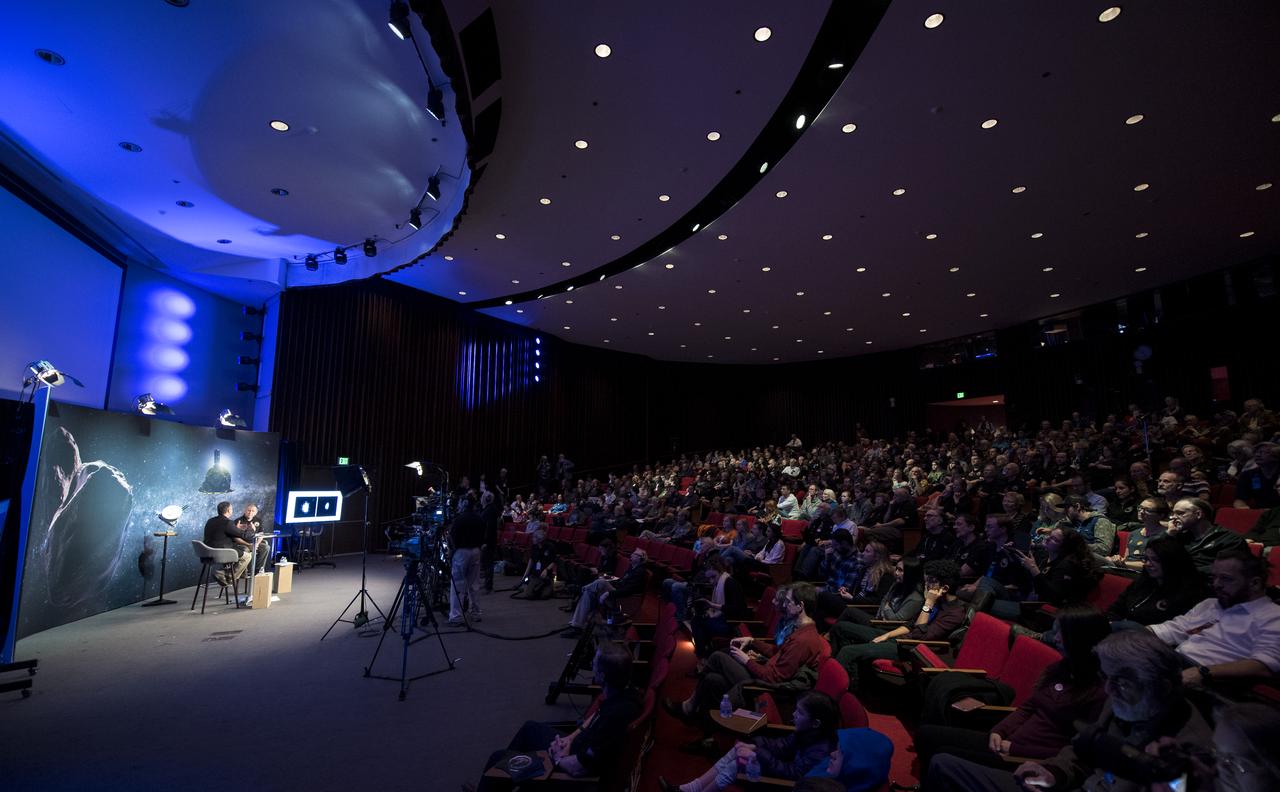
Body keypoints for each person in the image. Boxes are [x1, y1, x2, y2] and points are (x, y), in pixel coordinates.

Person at [926, 629, 1213, 792]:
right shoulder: (1120, 701)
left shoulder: (1192, 750)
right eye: (1106, 678)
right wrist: (1053, 771)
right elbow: (1080, 752)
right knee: (944, 765)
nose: (1110, 691)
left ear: (1162, 686)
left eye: (1121, 682)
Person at [914, 607, 1110, 773]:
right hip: (1005, 742)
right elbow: (1028, 708)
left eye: (1063, 634)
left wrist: (1015, 748)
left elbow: (1074, 751)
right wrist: (999, 731)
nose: (1056, 638)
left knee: (942, 756)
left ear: (1082, 640)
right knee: (927, 735)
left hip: (1025, 759)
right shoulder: (1060, 669)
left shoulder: (1100, 692)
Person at [465, 643, 642, 792]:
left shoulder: (613, 719)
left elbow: (580, 768)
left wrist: (558, 757)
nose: (591, 664)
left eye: (594, 663)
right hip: (575, 749)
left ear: (602, 676)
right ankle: (509, 780)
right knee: (529, 729)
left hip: (575, 774)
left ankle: (506, 779)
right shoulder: (626, 693)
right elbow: (596, 715)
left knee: (499, 758)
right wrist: (570, 739)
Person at [663, 583, 830, 721]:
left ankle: (690, 706)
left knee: (718, 657)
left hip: (766, 686)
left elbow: (774, 678)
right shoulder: (800, 629)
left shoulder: (803, 640)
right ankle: (705, 732)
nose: (783, 605)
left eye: (787, 602)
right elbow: (777, 652)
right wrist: (752, 642)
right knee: (713, 680)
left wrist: (746, 660)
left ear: (800, 606)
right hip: (764, 672)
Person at [1148, 549, 1280, 686]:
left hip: (1213, 681)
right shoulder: (1210, 604)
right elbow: (1175, 628)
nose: (1217, 584)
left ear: (1255, 583)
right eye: (1214, 577)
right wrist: (1141, 633)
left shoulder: (1273, 616)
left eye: (1226, 578)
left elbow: (1263, 666)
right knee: (1130, 632)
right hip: (1175, 663)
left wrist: (1203, 672)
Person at [828, 560, 967, 690]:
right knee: (841, 628)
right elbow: (910, 624)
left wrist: (928, 603)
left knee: (848, 651)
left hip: (910, 648)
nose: (927, 586)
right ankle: (851, 677)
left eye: (931, 582)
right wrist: (886, 635)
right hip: (899, 637)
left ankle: (838, 689)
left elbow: (919, 635)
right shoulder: (938, 600)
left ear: (945, 588)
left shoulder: (954, 613)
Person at [658, 691, 839, 791]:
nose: (793, 715)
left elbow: (792, 775)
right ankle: (687, 789)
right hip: (782, 767)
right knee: (739, 750)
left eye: (799, 713)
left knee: (738, 762)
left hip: (786, 784)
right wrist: (754, 745)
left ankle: (689, 791)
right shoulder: (808, 733)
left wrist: (756, 754)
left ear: (815, 723)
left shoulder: (821, 751)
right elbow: (782, 746)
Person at [1106, 537, 1205, 628]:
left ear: (1171, 561)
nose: (1148, 564)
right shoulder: (1141, 583)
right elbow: (1116, 609)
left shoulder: (1188, 593)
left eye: (1155, 560)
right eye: (1146, 559)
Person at [563, 549, 648, 637]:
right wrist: (612, 582)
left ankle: (580, 590)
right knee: (588, 593)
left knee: (601, 582)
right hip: (617, 592)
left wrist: (608, 593)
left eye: (634, 554)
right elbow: (622, 582)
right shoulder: (632, 568)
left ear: (640, 558)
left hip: (624, 599)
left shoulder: (639, 572)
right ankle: (576, 625)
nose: (631, 555)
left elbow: (628, 591)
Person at [1012, 526, 1100, 606]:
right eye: (1050, 535)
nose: (1047, 538)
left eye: (1054, 539)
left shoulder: (1067, 566)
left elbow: (1053, 598)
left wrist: (1033, 569)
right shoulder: (1046, 556)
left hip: (1047, 612)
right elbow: (1030, 582)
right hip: (1028, 601)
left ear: (1064, 547)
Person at [687, 553, 748, 657]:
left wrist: (712, 605)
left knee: (697, 622)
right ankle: (705, 654)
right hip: (723, 619)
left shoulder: (731, 583)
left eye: (713, 577)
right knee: (698, 617)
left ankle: (702, 656)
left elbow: (735, 609)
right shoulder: (720, 582)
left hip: (731, 624)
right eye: (709, 578)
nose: (711, 581)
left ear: (719, 570)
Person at [1167, 497, 1248, 576]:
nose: (1173, 517)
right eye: (1173, 513)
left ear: (1198, 514)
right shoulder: (1178, 536)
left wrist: (1184, 571)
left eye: (1180, 513)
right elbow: (1158, 558)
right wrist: (1169, 534)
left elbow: (1228, 569)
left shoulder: (1229, 539)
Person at [448, 497, 485, 626]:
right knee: (474, 585)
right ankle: (476, 613)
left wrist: (451, 553)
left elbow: (452, 537)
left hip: (461, 552)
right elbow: (483, 536)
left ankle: (456, 616)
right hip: (476, 551)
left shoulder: (459, 519)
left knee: (457, 584)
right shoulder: (479, 518)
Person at [1107, 495, 1168, 568]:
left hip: (1146, 573)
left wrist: (1124, 564)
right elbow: (1127, 558)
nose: (1141, 512)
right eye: (1140, 508)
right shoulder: (1134, 533)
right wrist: (1118, 559)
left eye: (1147, 510)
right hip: (1127, 568)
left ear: (1161, 515)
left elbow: (1156, 565)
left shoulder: (1165, 536)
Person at [203, 500, 251, 584]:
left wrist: (236, 528)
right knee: (247, 556)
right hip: (221, 552)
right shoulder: (227, 522)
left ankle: (225, 576)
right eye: (231, 509)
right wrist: (251, 530)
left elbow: (222, 533)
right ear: (229, 510)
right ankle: (226, 575)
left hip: (207, 553)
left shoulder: (210, 521)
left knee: (242, 549)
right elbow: (244, 535)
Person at [515, 528, 558, 600]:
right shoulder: (534, 547)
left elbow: (553, 561)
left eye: (534, 537)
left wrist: (546, 570)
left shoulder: (550, 547)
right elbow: (531, 561)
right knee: (529, 595)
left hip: (546, 577)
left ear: (540, 539)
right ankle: (533, 587)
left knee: (544, 596)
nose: (533, 539)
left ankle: (548, 587)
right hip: (535, 575)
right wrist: (524, 577)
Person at [234, 502, 269, 575]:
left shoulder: (258, 521)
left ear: (255, 513)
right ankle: (243, 572)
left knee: (265, 547)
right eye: (248, 510)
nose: (250, 512)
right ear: (245, 511)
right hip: (242, 544)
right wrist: (248, 545)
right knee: (246, 550)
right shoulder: (238, 521)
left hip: (254, 543)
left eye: (253, 511)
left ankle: (258, 570)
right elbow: (235, 538)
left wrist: (256, 544)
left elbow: (261, 535)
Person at [479, 490, 504, 593]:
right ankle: (487, 584)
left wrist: (485, 541)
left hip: (488, 542)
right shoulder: (490, 510)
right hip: (489, 541)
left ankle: (488, 586)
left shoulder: (489, 511)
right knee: (486, 563)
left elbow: (488, 528)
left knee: (488, 563)